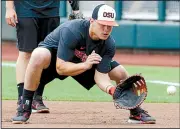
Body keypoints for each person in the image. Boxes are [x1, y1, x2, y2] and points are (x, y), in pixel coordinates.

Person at [12, 4, 156, 124]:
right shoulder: (73, 30)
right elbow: (61, 68)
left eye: (110, 26)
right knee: (38, 54)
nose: (106, 30)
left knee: (121, 72)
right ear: (92, 21)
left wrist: (111, 90)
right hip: (55, 63)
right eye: (103, 25)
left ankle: (135, 112)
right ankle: (25, 107)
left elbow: (101, 75)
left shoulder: (109, 44)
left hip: (83, 63)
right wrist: (85, 65)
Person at [5, 0, 83, 113]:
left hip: (51, 11)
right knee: (26, 53)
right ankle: (22, 99)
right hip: (25, 9)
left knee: (47, 54)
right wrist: (9, 8)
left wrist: (76, 10)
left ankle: (37, 98)